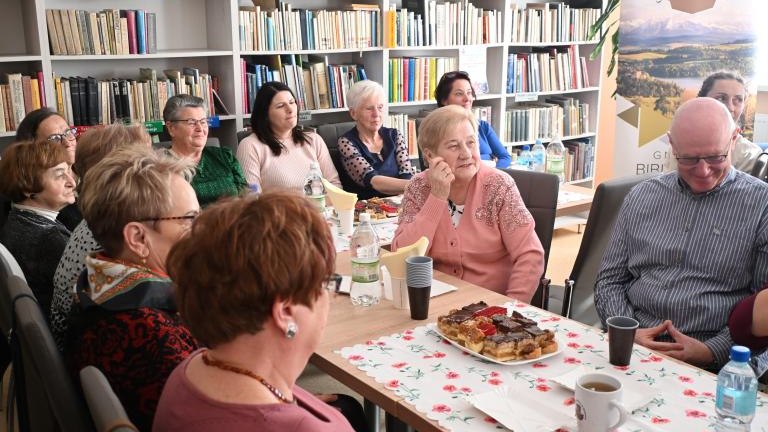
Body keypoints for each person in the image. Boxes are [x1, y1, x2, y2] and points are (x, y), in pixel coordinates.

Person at [154, 192, 361, 432]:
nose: (330, 296)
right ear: (285, 312)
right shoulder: (303, 428)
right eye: (325, 284)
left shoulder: (192, 368)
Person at [595, 97, 768, 373]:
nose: (703, 171)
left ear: (735, 139)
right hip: (632, 344)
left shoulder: (762, 205)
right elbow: (610, 280)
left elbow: (762, 307)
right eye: (688, 158)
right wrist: (627, 331)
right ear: (672, 145)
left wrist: (713, 351)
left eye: (715, 157)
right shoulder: (642, 196)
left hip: (718, 361)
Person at [65, 147, 200, 430]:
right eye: (189, 220)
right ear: (138, 238)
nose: (200, 230)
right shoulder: (149, 334)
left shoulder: (100, 283)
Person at [391, 105, 544, 302]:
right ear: (430, 156)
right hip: (435, 304)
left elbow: (530, 255)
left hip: (491, 308)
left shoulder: (499, 186)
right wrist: (436, 197)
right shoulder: (419, 187)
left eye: (471, 143)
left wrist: (511, 308)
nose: (466, 154)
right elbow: (402, 257)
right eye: (454, 146)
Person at [50, 124, 152, 350]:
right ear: (118, 174)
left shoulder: (97, 219)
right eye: (146, 164)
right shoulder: (115, 235)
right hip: (93, 352)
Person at [0, 140, 75, 314]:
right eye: (59, 175)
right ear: (27, 186)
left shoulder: (15, 220)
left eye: (69, 171)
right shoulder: (49, 238)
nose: (72, 182)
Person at [236, 81, 341, 193]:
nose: (290, 110)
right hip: (278, 211)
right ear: (265, 114)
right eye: (281, 106)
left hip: (321, 209)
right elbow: (251, 199)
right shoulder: (250, 146)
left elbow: (335, 186)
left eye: (292, 102)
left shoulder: (314, 140)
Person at [668, 71, 762, 173]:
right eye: (721, 98)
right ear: (702, 100)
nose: (730, 107)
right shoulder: (681, 144)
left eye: (738, 99)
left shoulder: (750, 155)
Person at [163, 94, 247, 206]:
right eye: (191, 122)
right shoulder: (160, 167)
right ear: (171, 128)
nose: (200, 128)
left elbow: (246, 197)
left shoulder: (225, 157)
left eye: (203, 121)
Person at [338, 80, 416, 199]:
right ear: (353, 113)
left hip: (399, 206)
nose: (376, 114)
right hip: (366, 212)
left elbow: (407, 174)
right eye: (369, 109)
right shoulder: (346, 142)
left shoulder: (395, 136)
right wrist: (419, 185)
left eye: (380, 107)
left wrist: (414, 185)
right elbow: (374, 181)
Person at [15, 107, 81, 230]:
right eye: (55, 138)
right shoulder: (44, 197)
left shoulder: (89, 171)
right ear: (32, 148)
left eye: (68, 132)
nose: (67, 142)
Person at [435, 71, 511, 169]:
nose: (467, 99)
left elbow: (505, 157)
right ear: (444, 100)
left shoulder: (482, 126)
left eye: (469, 93)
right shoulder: (438, 130)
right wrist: (487, 164)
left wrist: (491, 174)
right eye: (459, 94)